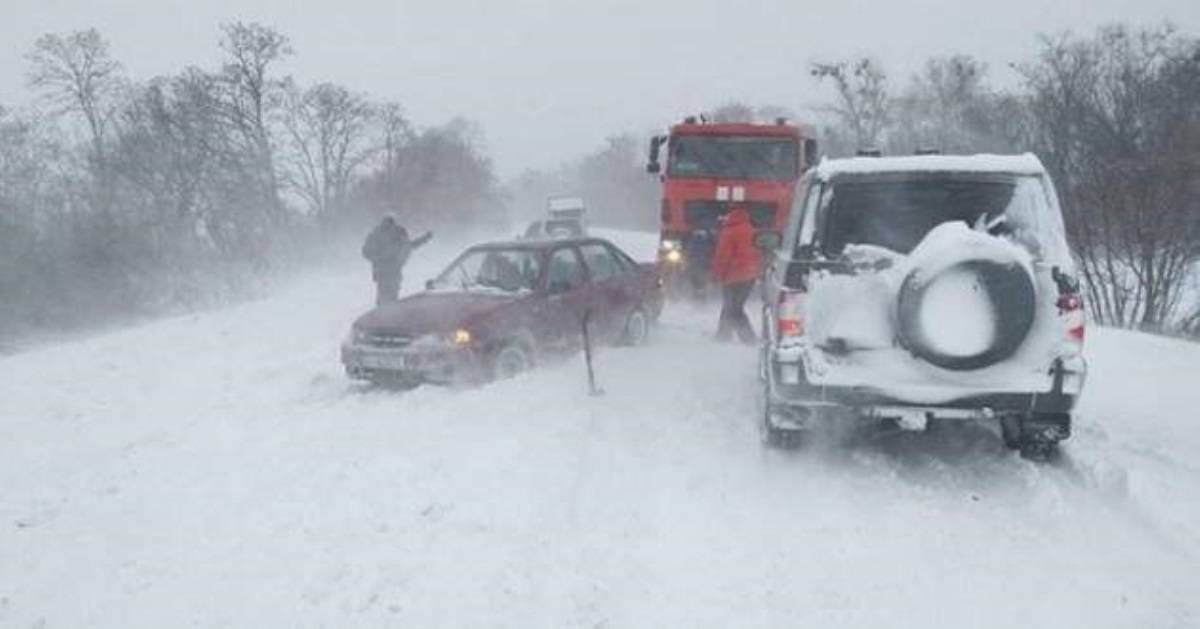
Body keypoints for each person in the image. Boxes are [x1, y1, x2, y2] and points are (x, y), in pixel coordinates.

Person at [710, 206, 762, 343]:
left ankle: (748, 339)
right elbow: (758, 254)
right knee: (732, 306)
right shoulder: (752, 230)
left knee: (733, 308)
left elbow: (723, 256)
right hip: (749, 276)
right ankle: (723, 335)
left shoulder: (729, 232)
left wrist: (717, 274)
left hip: (733, 276)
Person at [361, 214, 432, 305]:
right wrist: (426, 238)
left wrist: (378, 259)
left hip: (382, 272)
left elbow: (365, 252)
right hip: (393, 271)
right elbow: (410, 246)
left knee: (383, 297)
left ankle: (383, 315)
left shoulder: (376, 233)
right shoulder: (398, 232)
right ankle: (387, 314)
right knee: (391, 297)